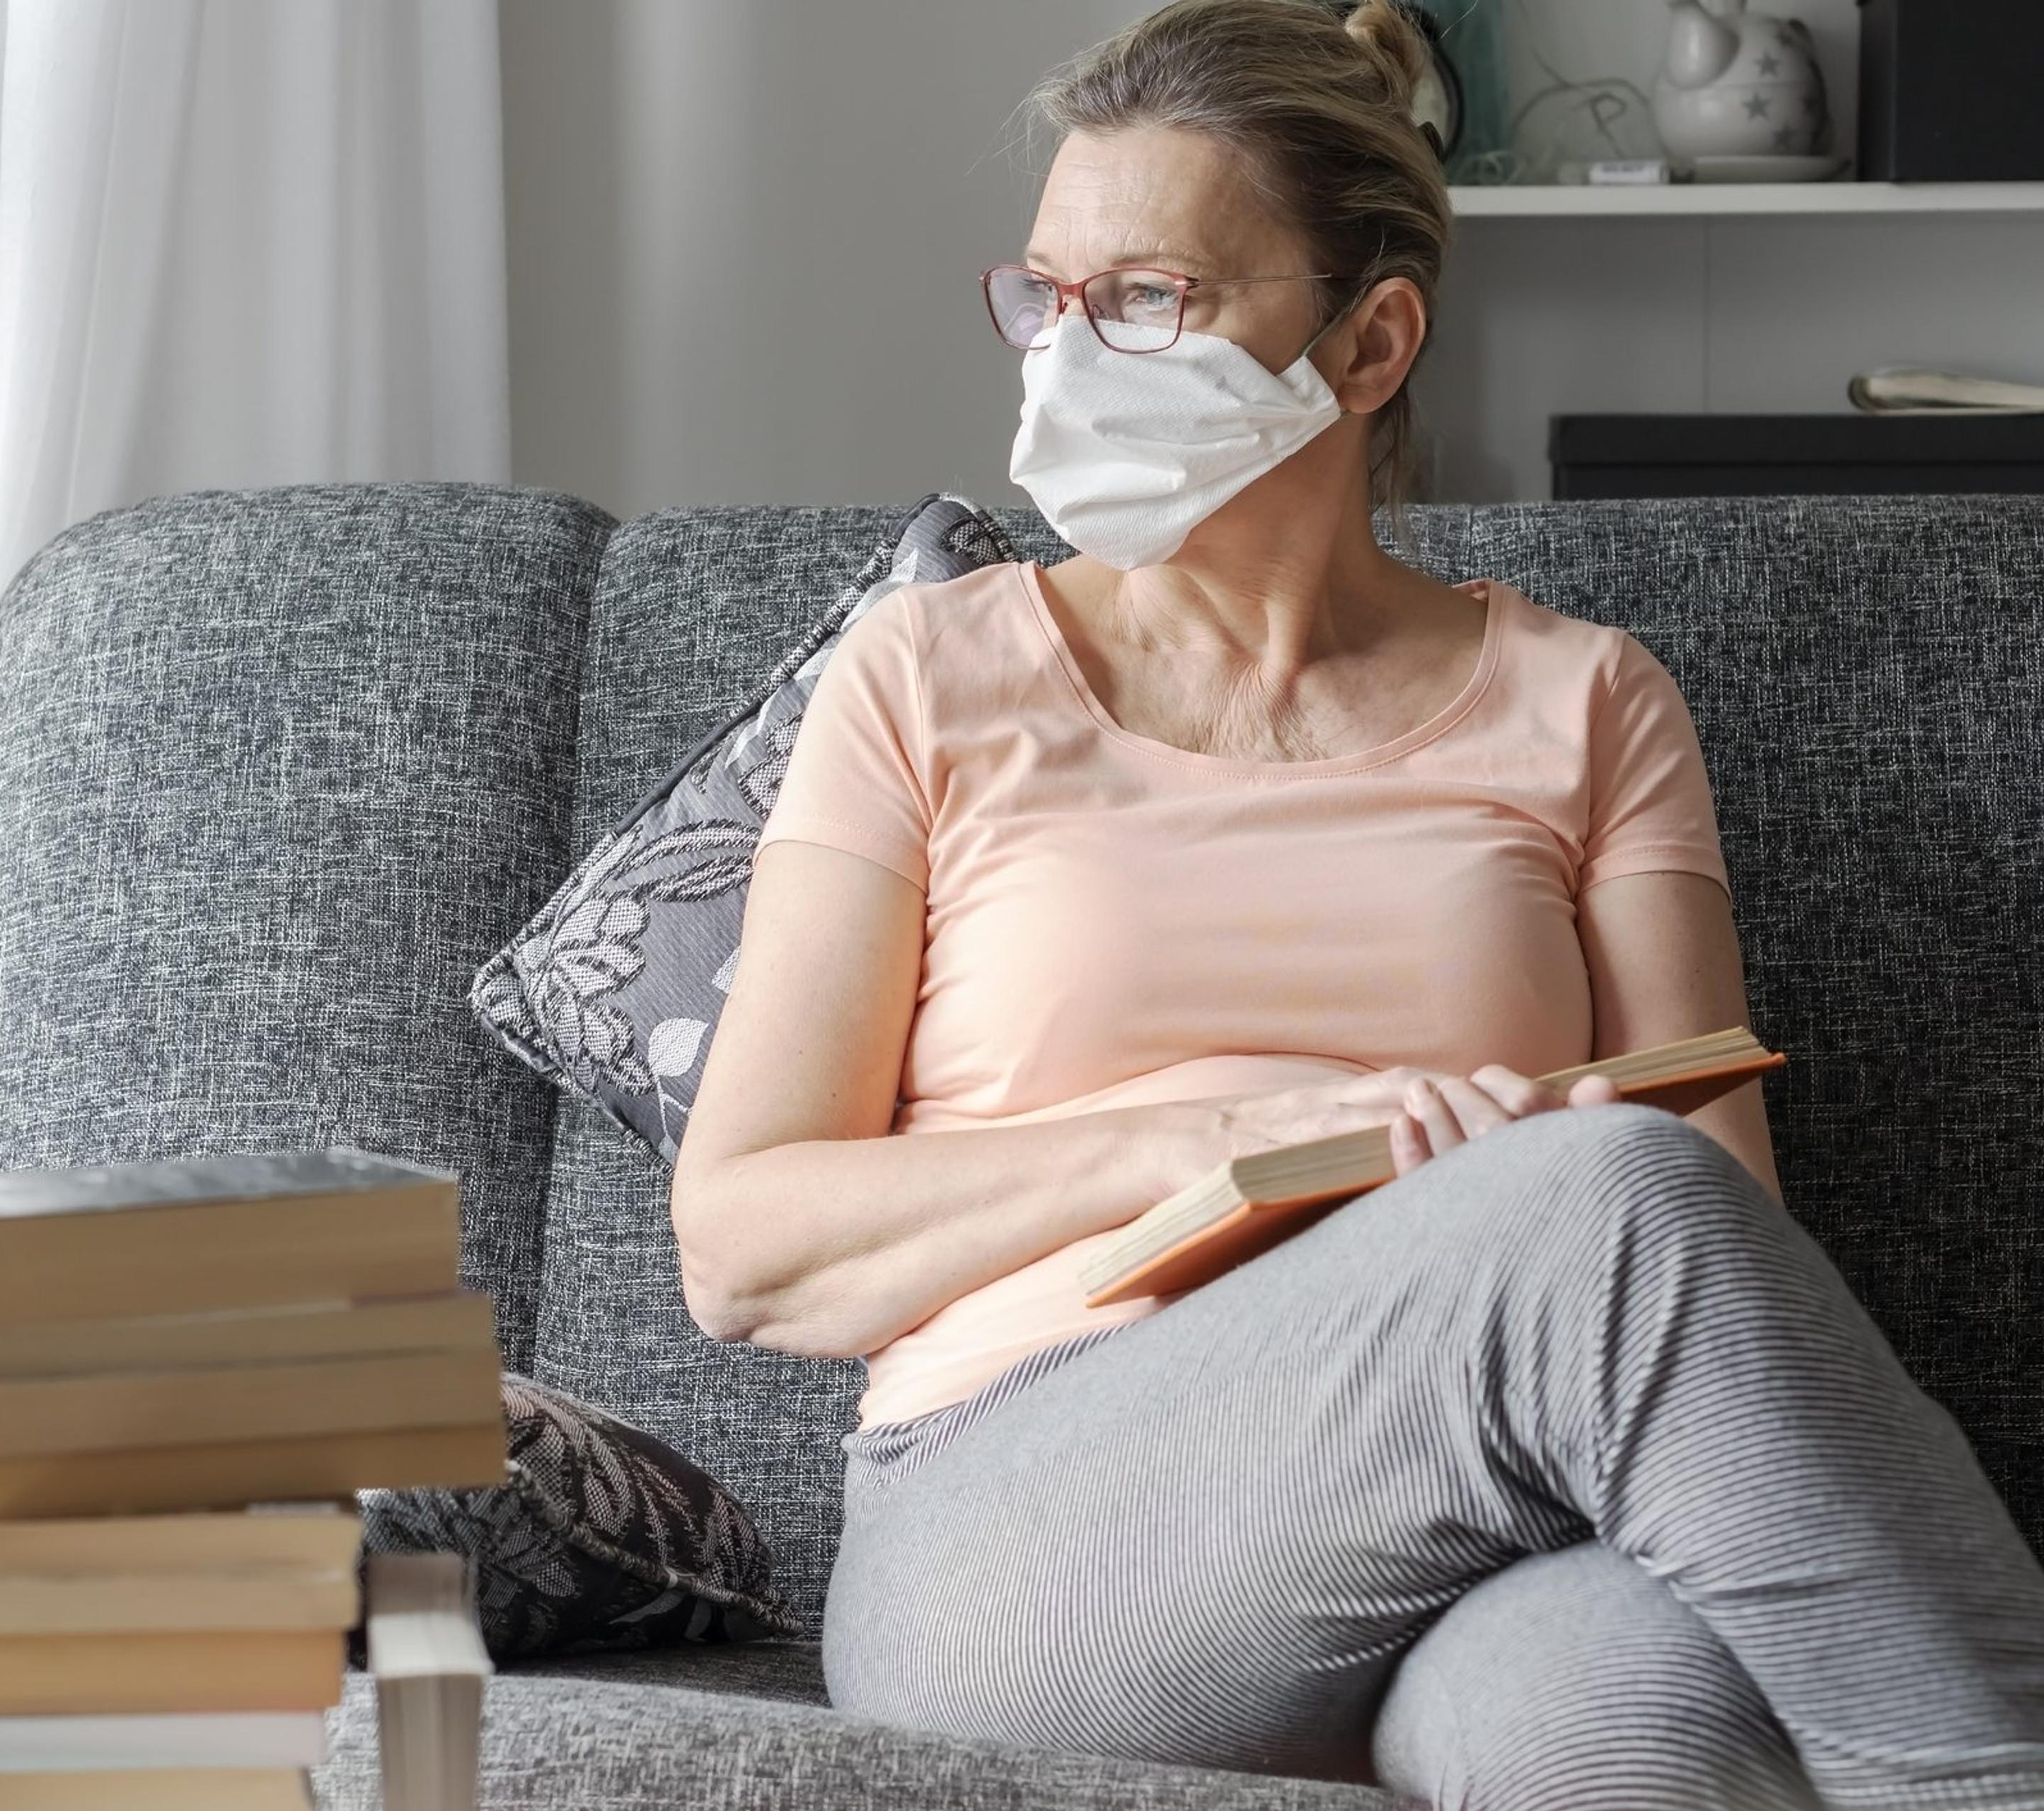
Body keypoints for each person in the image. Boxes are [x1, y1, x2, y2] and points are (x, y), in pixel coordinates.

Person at [667, 2, 2044, 1805]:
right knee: (1597, 1199)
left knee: (1638, 1729)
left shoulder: (1590, 702)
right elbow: (745, 1246)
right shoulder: (927, 676)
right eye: (1045, 295)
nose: (1071, 356)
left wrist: (1482, 1202)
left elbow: (1724, 1231)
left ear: (1371, 341)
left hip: (1495, 1536)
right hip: (1029, 1527)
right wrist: (1234, 1137)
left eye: (1149, 299)